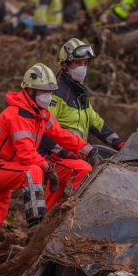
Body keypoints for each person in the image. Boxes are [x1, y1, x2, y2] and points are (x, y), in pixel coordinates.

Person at [0, 63, 100, 257]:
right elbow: (26, 154)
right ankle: (36, 225)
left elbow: (62, 135)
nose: (48, 96)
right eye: (44, 92)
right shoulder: (18, 115)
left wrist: (89, 150)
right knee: (32, 171)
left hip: (2, 167)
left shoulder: (40, 114)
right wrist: (48, 168)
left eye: (50, 92)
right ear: (29, 91)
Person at [39, 38, 124, 208]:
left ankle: (43, 227)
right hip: (57, 156)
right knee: (85, 172)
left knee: (50, 207)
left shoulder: (80, 95)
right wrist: (65, 153)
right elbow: (44, 130)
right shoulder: (57, 94)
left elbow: (97, 124)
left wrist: (120, 144)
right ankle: (76, 216)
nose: (83, 68)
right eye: (78, 63)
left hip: (77, 153)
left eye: (85, 63)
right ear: (65, 65)